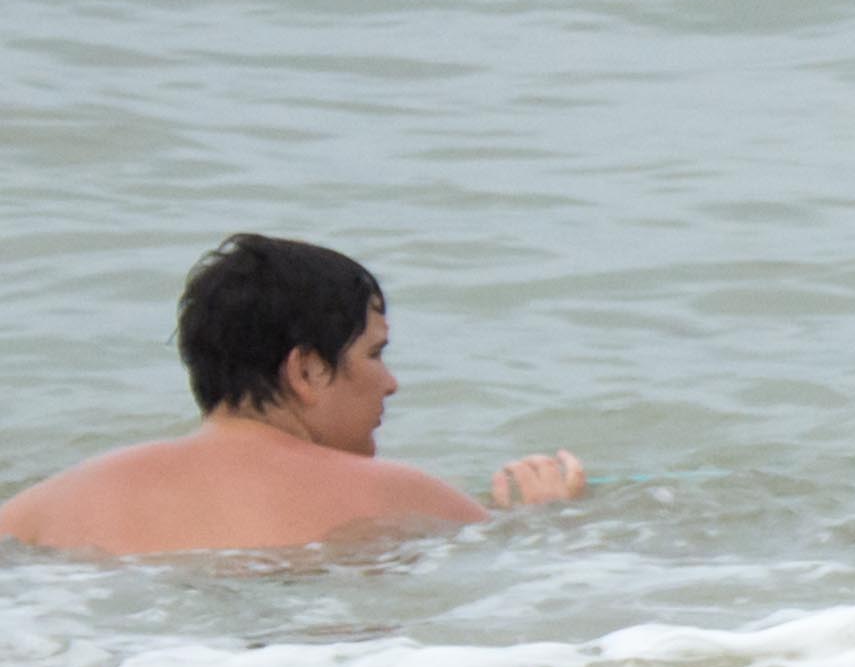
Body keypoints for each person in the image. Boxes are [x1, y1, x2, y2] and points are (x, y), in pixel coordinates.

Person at [1, 233, 584, 556]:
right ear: (304, 372)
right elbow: (522, 586)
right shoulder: (399, 497)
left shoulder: (41, 508)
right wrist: (546, 522)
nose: (391, 382)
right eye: (375, 354)